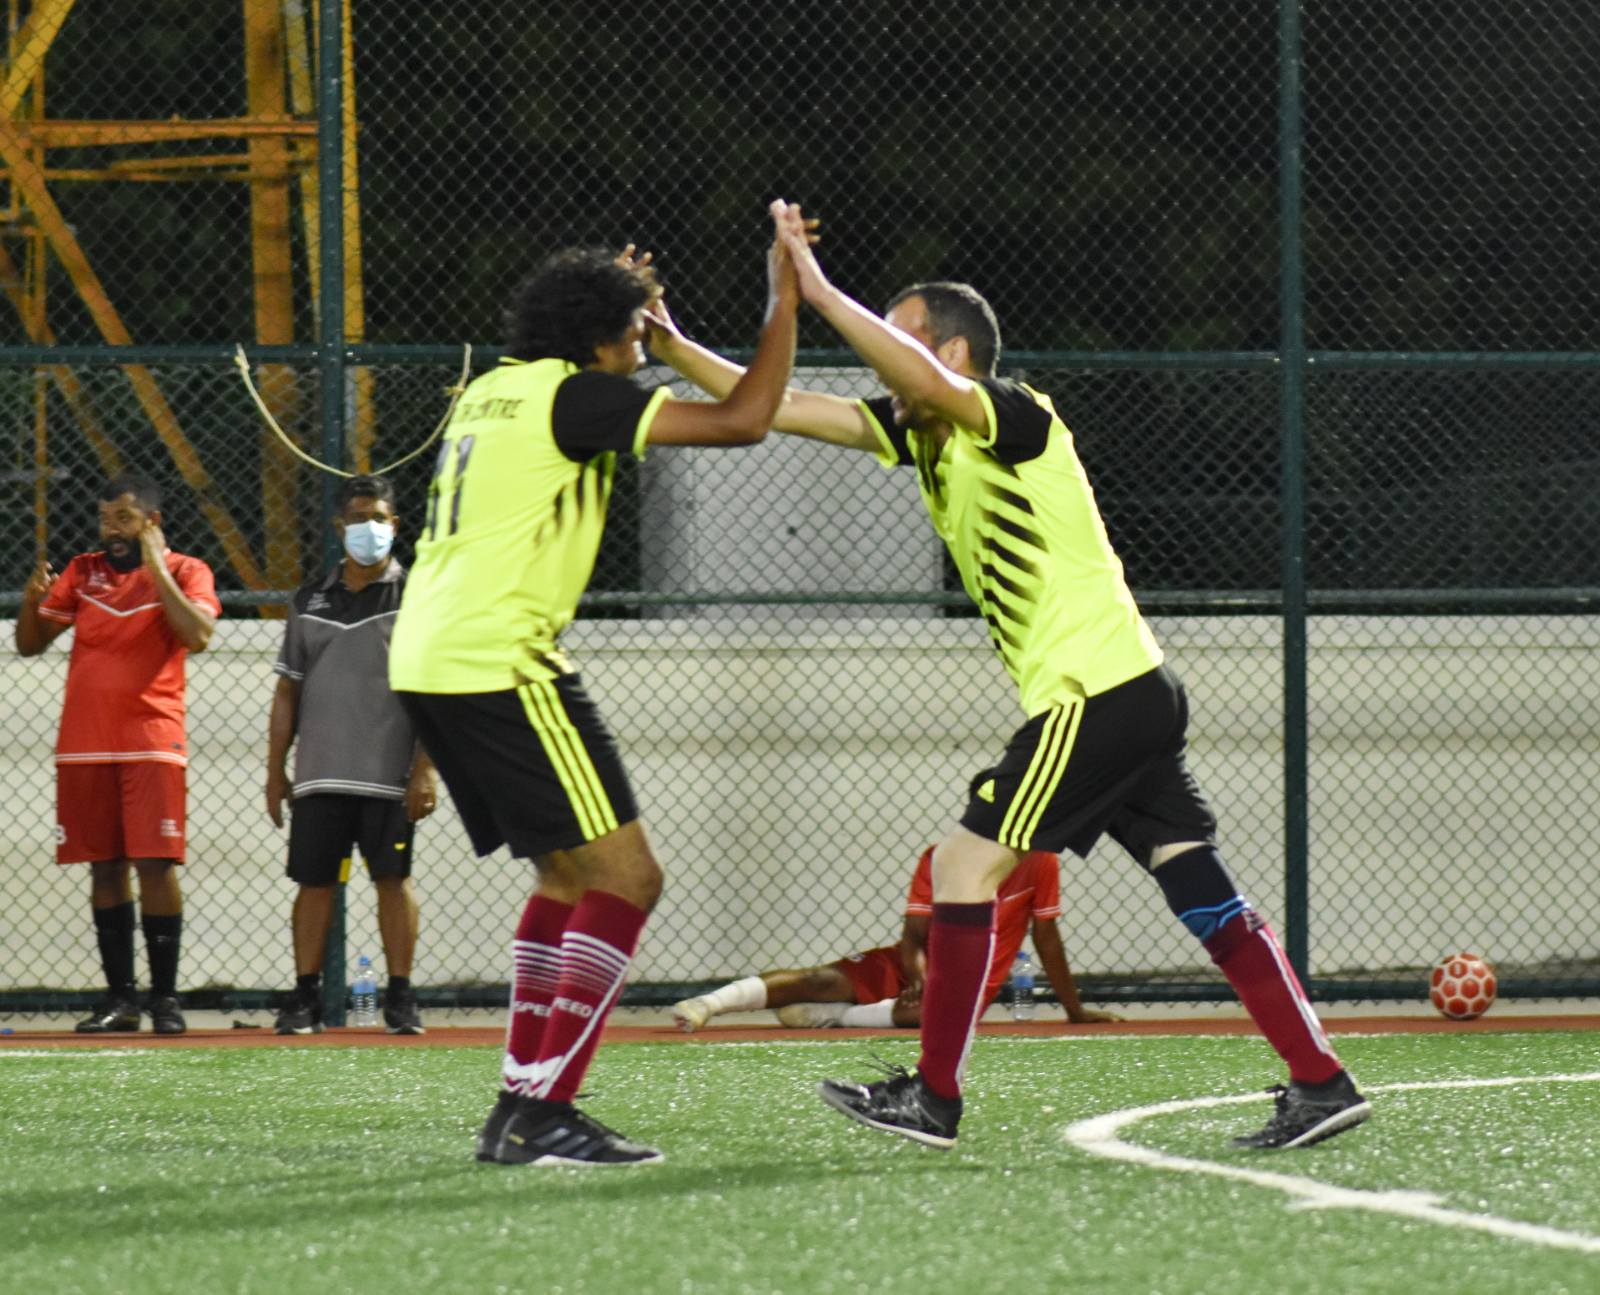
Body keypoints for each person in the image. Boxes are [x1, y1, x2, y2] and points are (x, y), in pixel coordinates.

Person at [644, 202, 1370, 1152]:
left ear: (952, 353)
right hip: (1132, 694)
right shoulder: (921, 436)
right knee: (1200, 888)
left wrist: (817, 291)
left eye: (901, 343)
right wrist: (671, 344)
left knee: (963, 862)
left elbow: (918, 380)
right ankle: (1321, 1080)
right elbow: (772, 404)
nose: (883, 367)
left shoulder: (1016, 416)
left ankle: (933, 1097)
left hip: (1095, 697)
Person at [387, 201, 801, 1168]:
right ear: (599, 341)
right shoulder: (574, 398)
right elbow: (746, 420)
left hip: (432, 656)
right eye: (633, 339)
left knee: (566, 877)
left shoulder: (493, 390)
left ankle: (523, 1103)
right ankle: (542, 1107)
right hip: (500, 658)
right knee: (628, 878)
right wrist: (785, 301)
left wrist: (627, 307)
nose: (640, 355)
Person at [14, 472, 220, 1035]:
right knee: (104, 867)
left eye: (124, 519)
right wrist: (32, 604)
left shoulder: (187, 570)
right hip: (85, 745)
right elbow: (30, 645)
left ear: (152, 521)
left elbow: (198, 635)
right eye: (106, 520)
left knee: (155, 864)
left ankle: (165, 1000)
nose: (112, 531)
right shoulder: (83, 571)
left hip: (152, 743)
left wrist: (155, 565)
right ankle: (120, 1000)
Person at [266, 473, 439, 1036]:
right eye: (359, 519)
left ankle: (401, 997)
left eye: (379, 519)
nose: (370, 528)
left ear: (396, 524)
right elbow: (287, 689)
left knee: (393, 880)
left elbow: (434, 691)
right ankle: (304, 998)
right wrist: (275, 771)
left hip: (390, 777)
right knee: (314, 884)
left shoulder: (418, 596)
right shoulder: (309, 599)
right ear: (340, 527)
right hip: (319, 774)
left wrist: (424, 770)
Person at [672, 845, 1121, 1031]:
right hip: (914, 965)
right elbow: (913, 936)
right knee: (817, 978)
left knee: (937, 1013)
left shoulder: (1040, 861)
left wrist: (1074, 1010)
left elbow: (1047, 938)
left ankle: (839, 1017)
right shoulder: (942, 857)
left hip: (967, 984)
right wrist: (918, 977)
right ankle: (708, 1004)